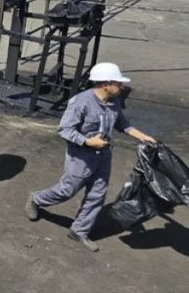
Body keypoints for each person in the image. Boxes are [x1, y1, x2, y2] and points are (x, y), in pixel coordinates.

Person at [26, 62, 156, 252]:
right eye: (118, 83)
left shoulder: (114, 103)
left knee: (97, 195)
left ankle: (79, 230)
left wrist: (144, 137)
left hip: (103, 157)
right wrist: (88, 142)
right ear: (105, 84)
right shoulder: (81, 102)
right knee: (67, 190)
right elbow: (64, 129)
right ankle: (36, 199)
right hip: (81, 158)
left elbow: (123, 124)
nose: (122, 87)